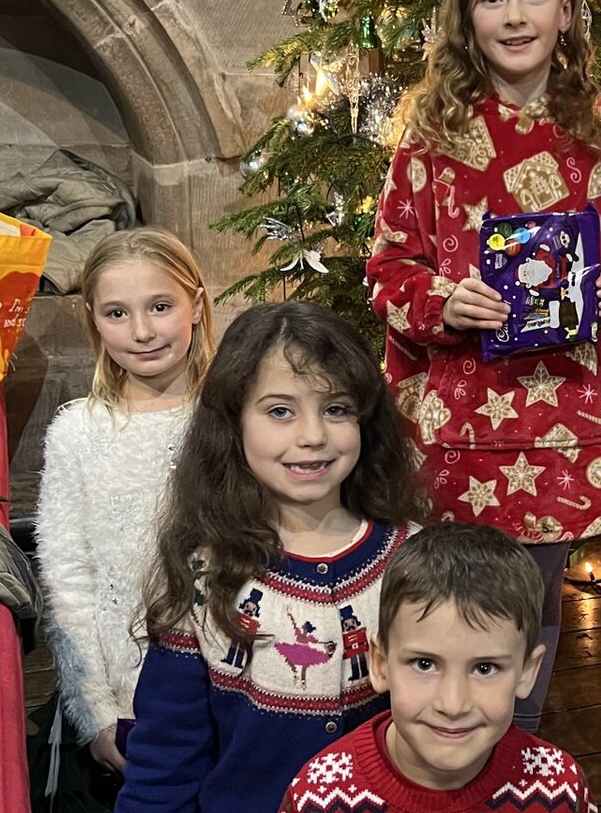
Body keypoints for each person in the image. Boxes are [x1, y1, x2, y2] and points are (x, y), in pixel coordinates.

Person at [367, 0, 601, 734]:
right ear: (467, 16)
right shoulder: (430, 137)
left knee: (532, 615)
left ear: (566, 12)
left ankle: (513, 759)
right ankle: (441, 756)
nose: (515, 15)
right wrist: (442, 303)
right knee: (449, 612)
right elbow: (388, 269)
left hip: (562, 421)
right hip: (462, 425)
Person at [115, 303, 429, 813]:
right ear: (233, 421)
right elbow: (167, 760)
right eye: (280, 411)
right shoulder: (202, 576)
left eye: (336, 409)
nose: (312, 436)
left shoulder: (415, 561)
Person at [35, 227, 215, 782]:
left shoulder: (236, 419)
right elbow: (68, 580)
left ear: (196, 305)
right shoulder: (76, 434)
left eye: (160, 306)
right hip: (131, 691)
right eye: (117, 313)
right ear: (92, 318)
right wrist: (94, 709)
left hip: (237, 684)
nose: (141, 332)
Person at [279, 522, 596, 812]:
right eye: (425, 664)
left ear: (527, 672)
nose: (453, 705)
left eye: (485, 668)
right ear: (380, 664)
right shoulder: (319, 797)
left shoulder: (561, 788)